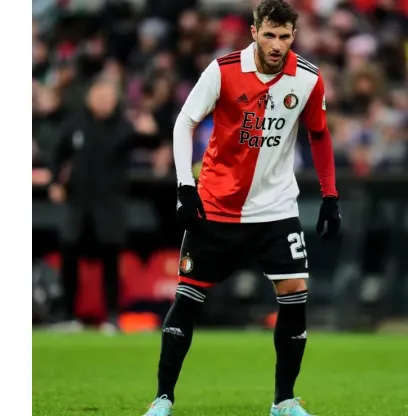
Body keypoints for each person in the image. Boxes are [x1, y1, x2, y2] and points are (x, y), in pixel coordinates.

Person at [143, 1, 341, 415]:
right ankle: (162, 399)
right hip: (217, 205)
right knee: (189, 296)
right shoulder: (223, 70)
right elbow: (185, 122)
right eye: (269, 35)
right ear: (253, 31)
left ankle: (284, 401)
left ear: (294, 36)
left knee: (295, 293)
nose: (276, 44)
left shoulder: (306, 79)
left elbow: (319, 136)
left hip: (275, 206)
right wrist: (185, 186)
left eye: (285, 37)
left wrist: (330, 196)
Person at [48, 77, 160, 334]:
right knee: (69, 258)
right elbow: (57, 153)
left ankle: (111, 316)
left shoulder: (123, 127)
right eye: (100, 97)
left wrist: (151, 132)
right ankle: (68, 316)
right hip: (77, 203)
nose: (104, 103)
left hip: (109, 205)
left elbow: (149, 143)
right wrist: (55, 182)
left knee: (111, 261)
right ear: (90, 98)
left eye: (109, 99)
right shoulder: (76, 123)